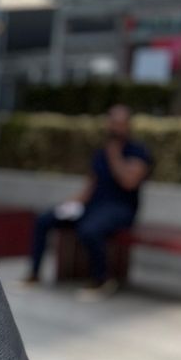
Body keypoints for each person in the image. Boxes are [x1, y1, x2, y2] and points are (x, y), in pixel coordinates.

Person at [23, 103, 153, 299]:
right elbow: (90, 186)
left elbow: (129, 182)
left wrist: (115, 155)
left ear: (128, 125)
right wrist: (67, 205)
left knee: (89, 230)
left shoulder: (138, 151)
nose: (115, 127)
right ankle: (34, 275)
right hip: (93, 207)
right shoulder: (100, 153)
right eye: (112, 122)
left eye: (119, 123)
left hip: (120, 210)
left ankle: (101, 280)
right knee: (44, 219)